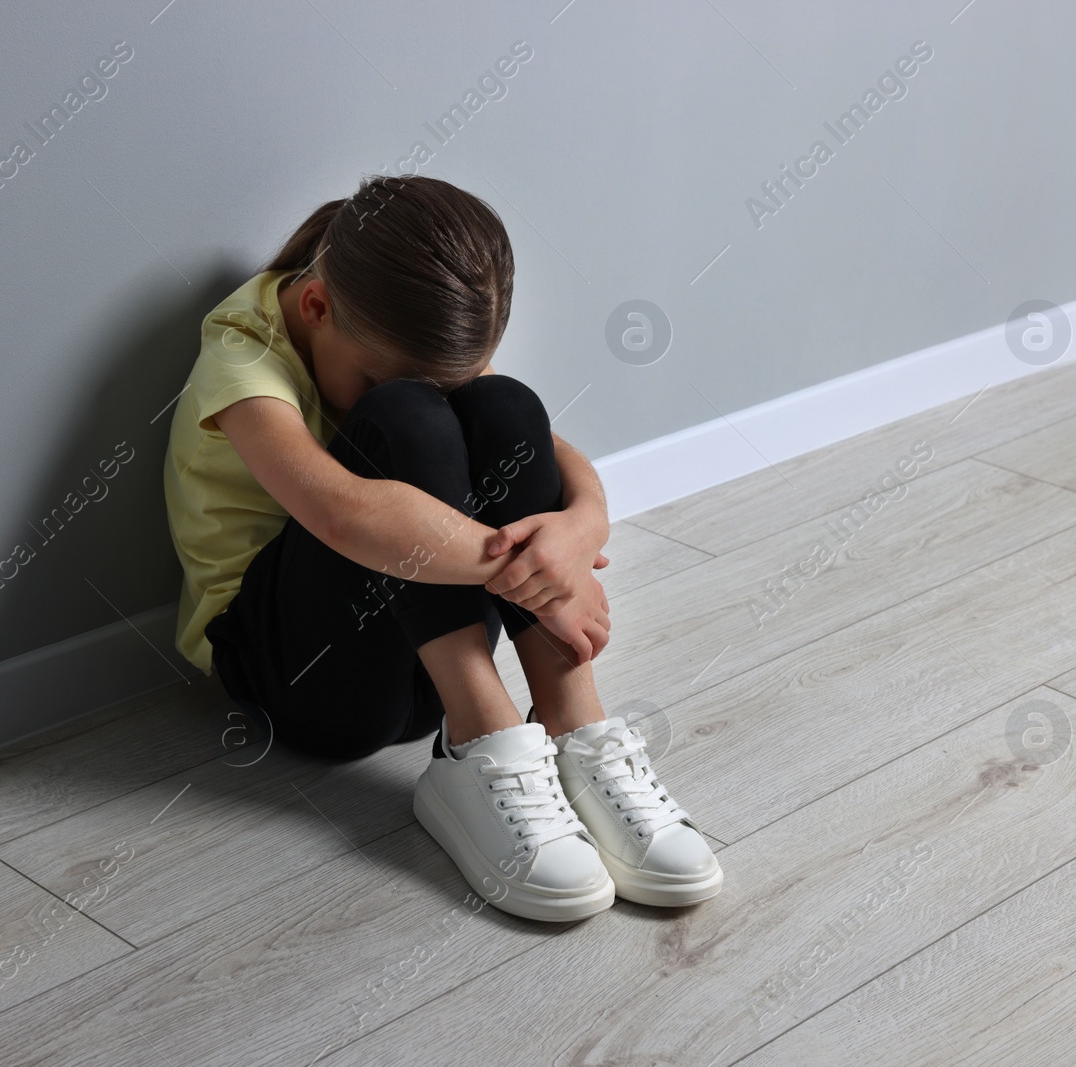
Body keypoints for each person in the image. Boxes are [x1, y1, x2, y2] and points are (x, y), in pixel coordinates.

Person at [163, 174, 722, 921]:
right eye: (371, 373)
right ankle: (485, 738)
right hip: (298, 681)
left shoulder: (393, 326)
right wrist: (546, 580)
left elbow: (558, 458)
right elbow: (343, 515)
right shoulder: (241, 354)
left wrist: (578, 527)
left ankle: (574, 730)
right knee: (403, 421)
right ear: (315, 307)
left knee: (504, 403)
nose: (387, 387)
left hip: (429, 652)